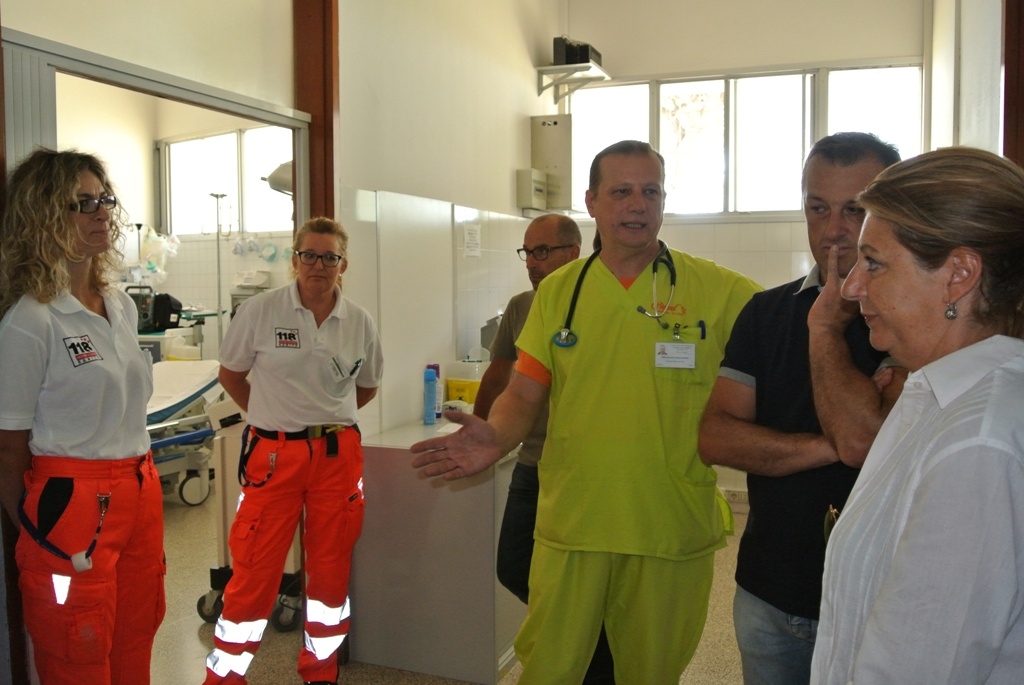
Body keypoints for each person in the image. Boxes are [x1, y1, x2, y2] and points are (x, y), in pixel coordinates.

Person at [411, 140, 761, 684]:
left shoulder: (718, 291)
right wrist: (496, 435)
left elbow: (788, 339)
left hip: (667, 525)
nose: (637, 205)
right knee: (551, 668)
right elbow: (524, 395)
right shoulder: (559, 293)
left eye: (651, 191)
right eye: (621, 191)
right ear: (592, 202)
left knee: (652, 672)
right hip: (575, 525)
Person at [809, 147, 1024, 684]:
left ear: (959, 275)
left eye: (875, 262)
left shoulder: (977, 445)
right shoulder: (936, 395)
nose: (853, 285)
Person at [697, 132, 905, 685]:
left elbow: (865, 441)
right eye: (818, 208)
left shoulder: (914, 321)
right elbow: (716, 439)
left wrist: (826, 328)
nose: (834, 228)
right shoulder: (765, 313)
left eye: (855, 209)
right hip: (767, 593)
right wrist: (832, 444)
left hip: (877, 603)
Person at [0, 149, 163, 685]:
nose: (101, 212)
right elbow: (8, 447)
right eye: (82, 203)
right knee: (79, 648)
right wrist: (39, 529)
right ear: (42, 215)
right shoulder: (31, 321)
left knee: (136, 635)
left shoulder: (120, 306)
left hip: (140, 488)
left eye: (105, 198)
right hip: (71, 502)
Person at [203, 217, 383, 685]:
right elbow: (231, 376)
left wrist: (323, 423)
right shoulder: (261, 311)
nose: (318, 266)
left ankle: (319, 673)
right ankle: (225, 677)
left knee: (328, 578)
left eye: (330, 257)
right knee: (253, 574)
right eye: (309, 255)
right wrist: (271, 420)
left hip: (337, 459)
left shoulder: (359, 320)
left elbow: (366, 387)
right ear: (294, 259)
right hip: (273, 459)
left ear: (344, 265)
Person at [474, 214, 615, 683]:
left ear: (572, 252)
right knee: (514, 565)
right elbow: (498, 376)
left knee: (590, 576)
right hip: (533, 461)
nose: (531, 263)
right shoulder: (521, 307)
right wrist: (478, 431)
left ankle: (587, 653)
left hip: (585, 469)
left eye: (542, 252)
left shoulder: (600, 301)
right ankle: (579, 634)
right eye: (527, 253)